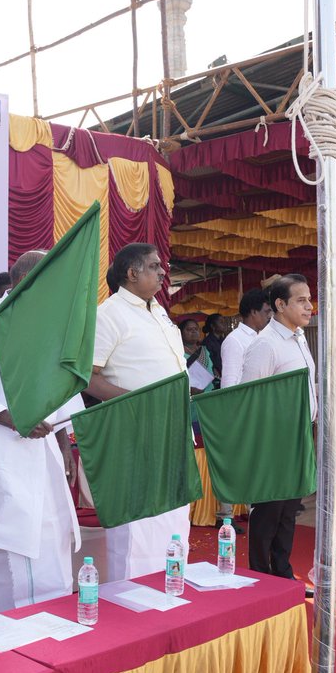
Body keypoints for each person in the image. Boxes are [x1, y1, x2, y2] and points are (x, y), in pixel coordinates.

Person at [0, 250, 81, 611]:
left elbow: (58, 393)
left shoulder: (46, 325)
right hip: (3, 448)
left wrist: (65, 444)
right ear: (25, 281)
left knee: (52, 531)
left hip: (44, 450)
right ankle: (11, 639)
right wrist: (16, 419)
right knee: (12, 534)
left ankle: (54, 621)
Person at [86, 243, 190, 580]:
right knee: (137, 529)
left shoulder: (158, 311)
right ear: (132, 273)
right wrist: (140, 403)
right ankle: (131, 603)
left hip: (173, 430)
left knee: (173, 521)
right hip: (135, 433)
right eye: (154, 266)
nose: (163, 272)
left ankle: (171, 587)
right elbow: (87, 378)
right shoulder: (109, 314)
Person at [242, 274, 316, 592]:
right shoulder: (265, 344)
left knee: (288, 512)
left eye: (309, 299)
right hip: (274, 440)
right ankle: (261, 576)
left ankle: (282, 572)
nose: (309, 306)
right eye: (301, 300)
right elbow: (251, 397)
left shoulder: (298, 338)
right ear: (280, 305)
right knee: (269, 512)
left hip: (299, 436)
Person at [221, 288, 272, 389]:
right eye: (266, 312)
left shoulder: (261, 337)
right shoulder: (234, 340)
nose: (270, 316)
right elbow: (229, 386)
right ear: (253, 312)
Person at [180, 318, 215, 395]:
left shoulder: (204, 350)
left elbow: (210, 371)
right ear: (181, 333)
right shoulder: (178, 353)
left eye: (196, 329)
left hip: (208, 394)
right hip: (188, 396)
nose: (193, 331)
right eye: (189, 329)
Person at [202, 313, 229, 384]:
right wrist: (214, 369)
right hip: (215, 379)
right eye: (221, 322)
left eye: (224, 321)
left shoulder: (225, 340)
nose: (224, 324)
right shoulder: (207, 342)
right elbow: (208, 361)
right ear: (213, 326)